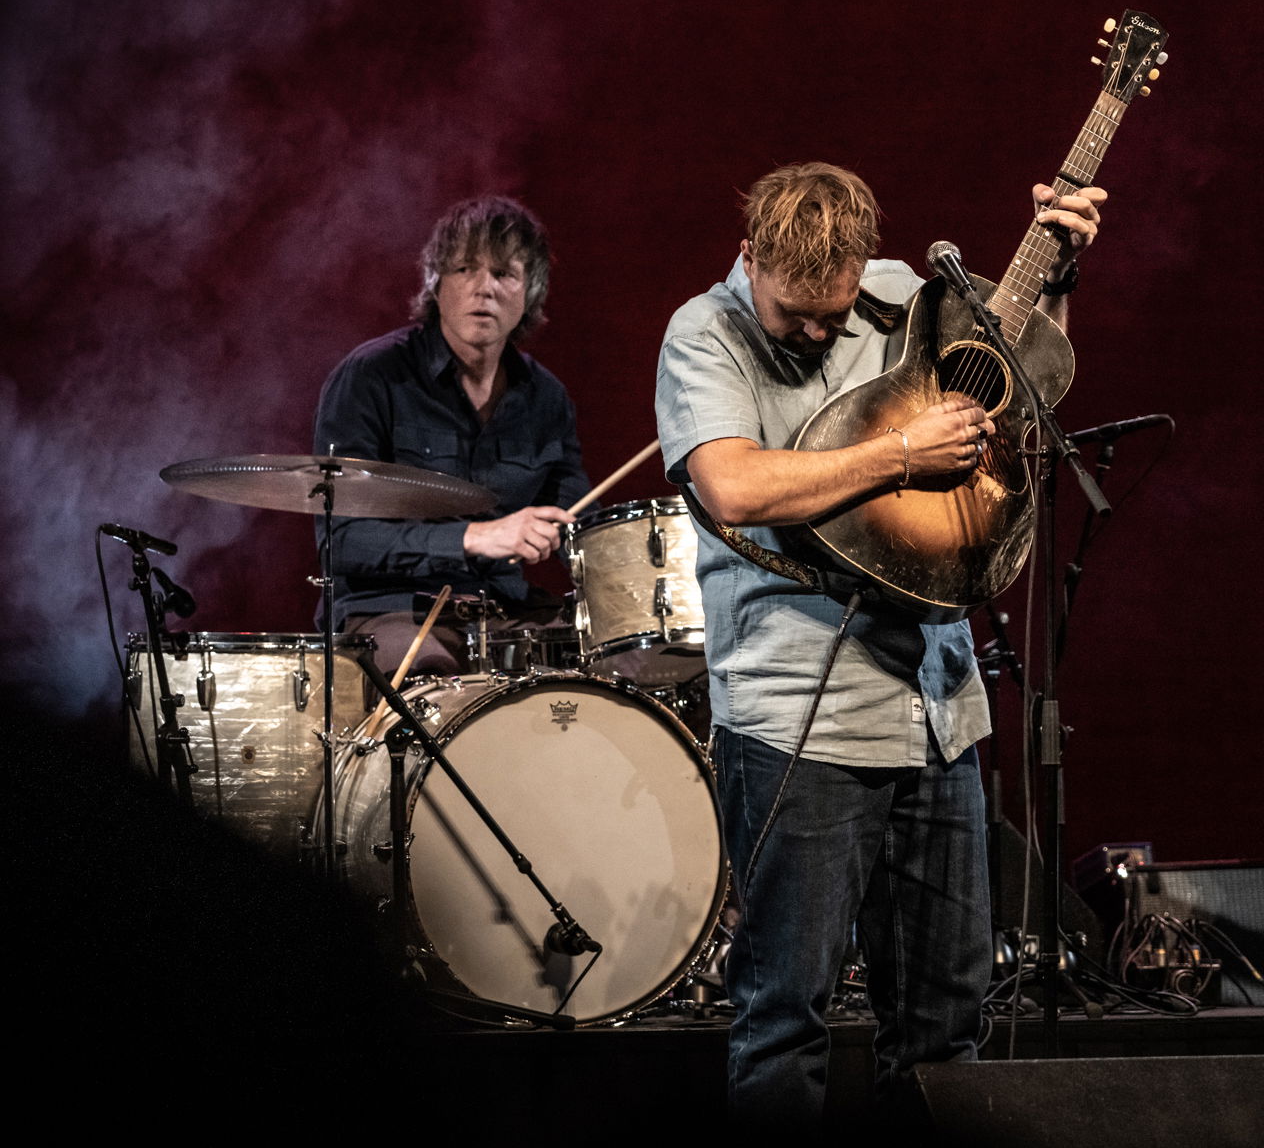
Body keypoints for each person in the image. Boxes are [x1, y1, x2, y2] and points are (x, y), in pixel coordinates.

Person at [654, 161, 1104, 1129]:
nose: (819, 331)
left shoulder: (907, 294)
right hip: (795, 718)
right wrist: (902, 453)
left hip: (938, 711)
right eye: (796, 314)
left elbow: (1032, 385)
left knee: (948, 1018)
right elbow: (735, 486)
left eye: (835, 309)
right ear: (750, 258)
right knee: (786, 1018)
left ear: (865, 264)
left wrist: (1056, 274)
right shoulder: (705, 332)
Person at [314, 195, 590, 675]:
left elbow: (578, 527)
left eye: (504, 274)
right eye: (465, 269)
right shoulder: (371, 376)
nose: (484, 289)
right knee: (436, 678)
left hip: (503, 612)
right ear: (435, 284)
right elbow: (343, 541)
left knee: (627, 664)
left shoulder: (546, 397)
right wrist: (477, 537)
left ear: (530, 293)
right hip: (391, 611)